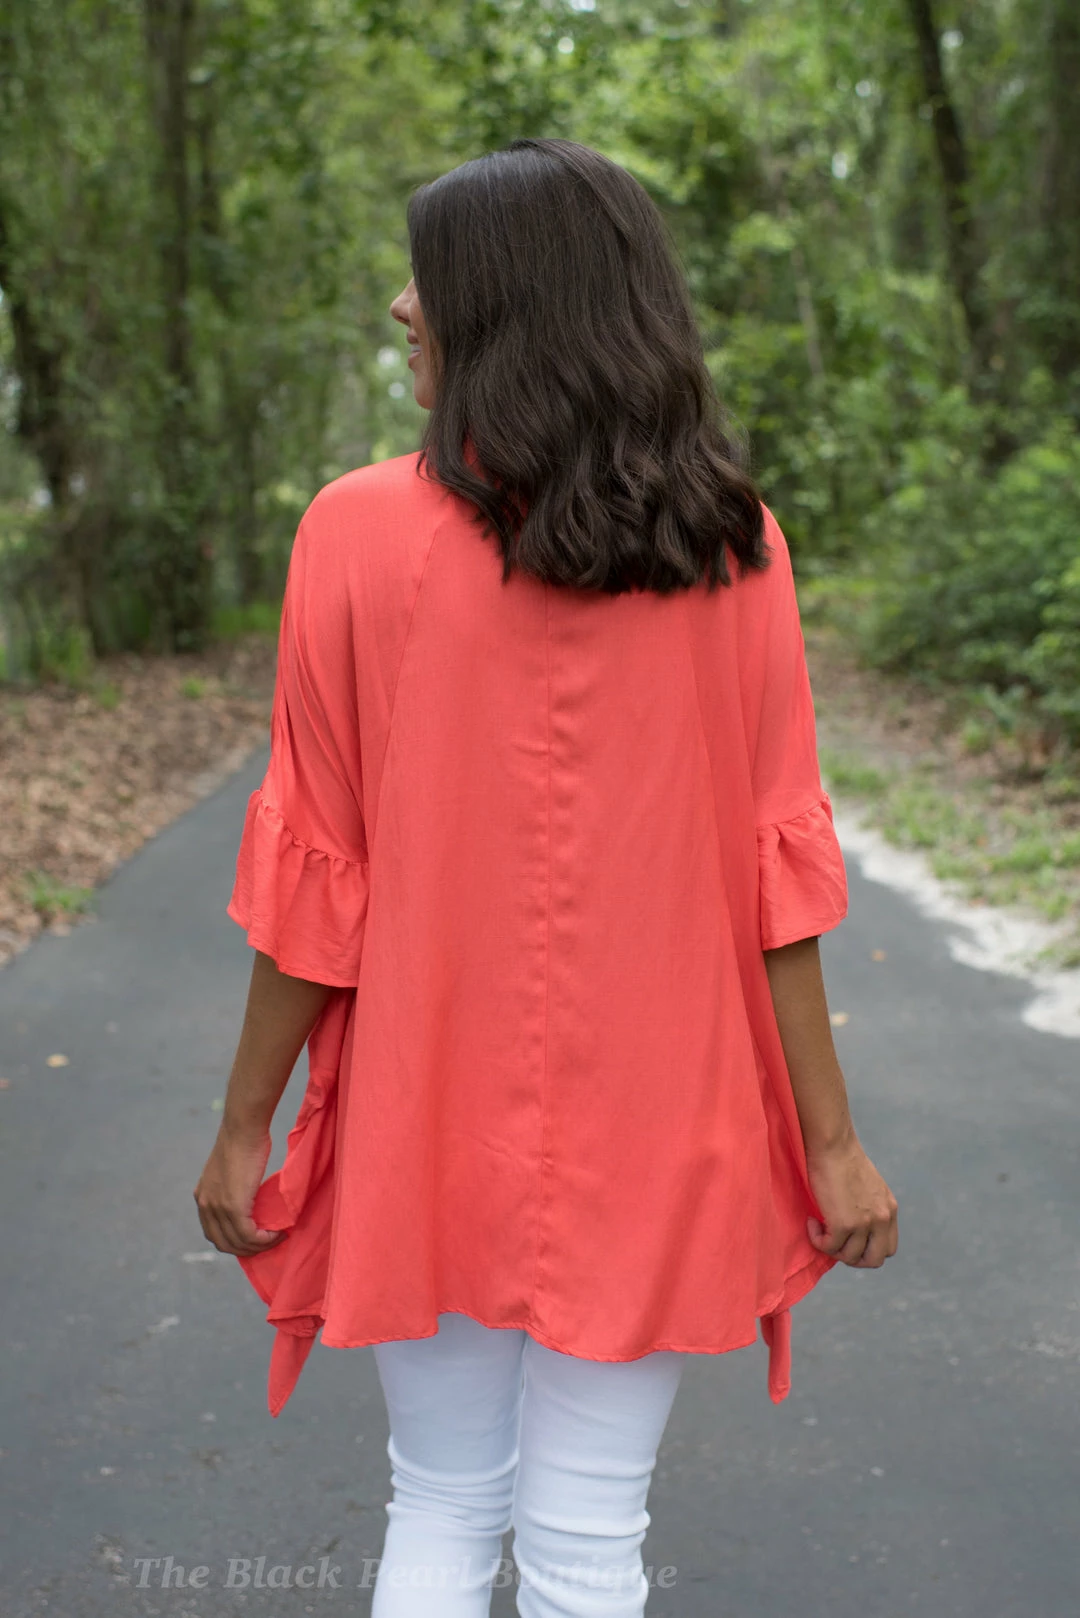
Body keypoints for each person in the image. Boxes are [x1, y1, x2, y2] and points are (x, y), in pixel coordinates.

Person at [194, 136, 898, 1617]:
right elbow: (781, 877)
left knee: (441, 1504)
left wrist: (247, 1120)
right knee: (590, 1543)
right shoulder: (731, 547)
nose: (402, 308)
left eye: (428, 281)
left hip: (421, 1105)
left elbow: (325, 883)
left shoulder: (354, 533)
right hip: (663, 1120)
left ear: (505, 308)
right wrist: (832, 1143)